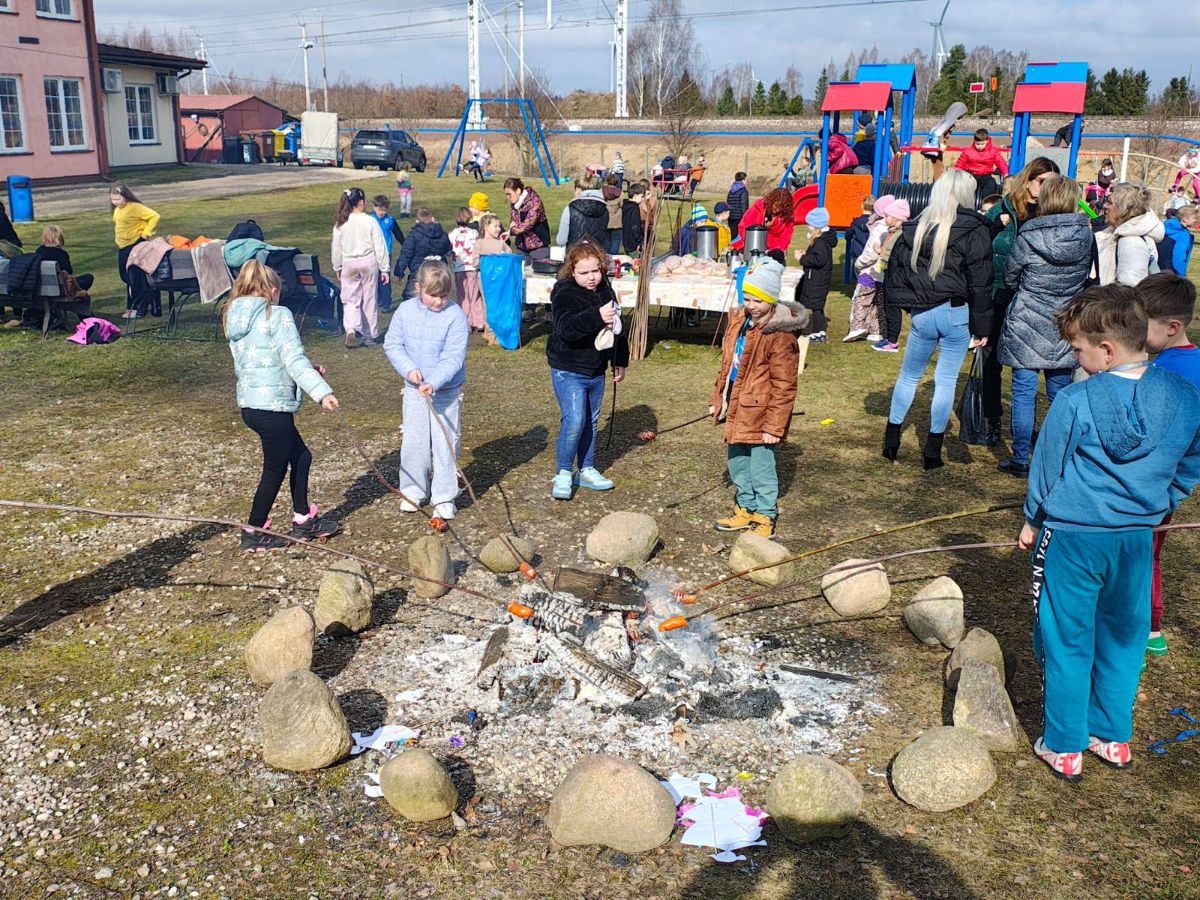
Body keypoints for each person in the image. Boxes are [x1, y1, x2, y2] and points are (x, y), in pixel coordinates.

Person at [1019, 285, 1200, 782]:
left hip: (1074, 539)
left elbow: (1047, 469)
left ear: (1106, 349)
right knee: (1124, 636)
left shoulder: (1074, 400)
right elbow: (1191, 460)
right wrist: (1165, 500)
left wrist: (1033, 520)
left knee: (1066, 637)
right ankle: (1111, 735)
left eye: (1077, 350)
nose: (1074, 358)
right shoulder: (1186, 398)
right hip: (1136, 539)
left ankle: (1064, 744)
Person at [221, 260, 341, 553]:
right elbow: (293, 359)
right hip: (272, 407)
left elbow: (266, 361)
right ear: (273, 290)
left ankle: (303, 519)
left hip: (252, 405)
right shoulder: (276, 314)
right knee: (274, 469)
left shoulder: (234, 317)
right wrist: (321, 392)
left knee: (302, 457)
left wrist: (308, 372)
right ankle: (254, 530)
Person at [882, 170, 993, 469]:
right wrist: (983, 327)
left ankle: (891, 440)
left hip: (923, 313)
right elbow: (981, 283)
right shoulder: (974, 229)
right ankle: (932, 451)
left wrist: (909, 306)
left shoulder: (917, 226)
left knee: (908, 376)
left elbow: (898, 273)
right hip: (956, 313)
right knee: (945, 381)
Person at [997, 175, 1094, 477]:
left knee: (1024, 393)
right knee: (1060, 394)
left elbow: (1010, 276)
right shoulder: (1085, 237)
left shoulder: (1029, 235)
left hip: (1027, 320)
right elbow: (1089, 277)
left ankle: (1020, 458)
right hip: (1065, 320)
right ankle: (1058, 456)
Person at [709, 257, 807, 539]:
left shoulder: (781, 336)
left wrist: (774, 427)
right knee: (737, 463)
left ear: (772, 299)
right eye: (747, 298)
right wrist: (718, 398)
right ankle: (745, 508)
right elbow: (727, 365)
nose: (751, 305)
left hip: (762, 414)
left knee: (761, 467)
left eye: (758, 300)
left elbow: (785, 386)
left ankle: (765, 515)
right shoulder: (741, 321)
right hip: (738, 405)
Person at [1138, 273, 1200, 659]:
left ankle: (1144, 627)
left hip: (1156, 486)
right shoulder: (1179, 362)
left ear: (1172, 327)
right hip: (1165, 485)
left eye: (1141, 325)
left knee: (1141, 555)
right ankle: (1151, 627)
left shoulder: (1168, 375)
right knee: (1149, 553)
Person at [982, 157, 1061, 443]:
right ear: (1028, 181)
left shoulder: (1053, 214)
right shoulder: (1002, 209)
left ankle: (1033, 429)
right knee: (991, 361)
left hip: (1034, 300)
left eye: (1053, 183)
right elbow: (981, 246)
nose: (1047, 188)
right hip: (998, 294)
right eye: (1042, 182)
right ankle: (992, 419)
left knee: (1033, 368)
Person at [383, 259, 468, 521]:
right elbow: (393, 344)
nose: (439, 301)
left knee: (445, 443)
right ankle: (413, 491)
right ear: (418, 287)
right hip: (414, 390)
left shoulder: (455, 315)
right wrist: (409, 370)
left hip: (445, 391)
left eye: (444, 295)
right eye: (433, 295)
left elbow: (454, 356)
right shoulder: (405, 311)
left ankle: (444, 497)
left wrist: (436, 381)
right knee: (414, 441)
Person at [546, 241, 629, 500]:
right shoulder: (564, 293)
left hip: (596, 369)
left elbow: (617, 327)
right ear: (572, 271)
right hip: (568, 368)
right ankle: (563, 473)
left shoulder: (606, 289)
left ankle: (586, 469)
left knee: (591, 420)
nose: (591, 277)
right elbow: (566, 329)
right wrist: (596, 316)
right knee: (574, 419)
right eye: (584, 272)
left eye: (596, 271)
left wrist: (620, 360)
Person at [332, 187, 389, 349]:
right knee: (369, 298)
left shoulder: (341, 223)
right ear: (361, 202)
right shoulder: (370, 221)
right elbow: (380, 246)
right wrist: (384, 268)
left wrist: (337, 267)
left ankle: (351, 328)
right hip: (368, 262)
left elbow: (336, 248)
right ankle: (369, 335)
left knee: (350, 299)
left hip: (349, 263)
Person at [848, 197, 908, 344]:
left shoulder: (879, 229)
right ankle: (877, 330)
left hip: (871, 271)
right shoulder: (891, 230)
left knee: (860, 298)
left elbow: (870, 252)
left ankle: (856, 327)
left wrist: (859, 263)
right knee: (878, 302)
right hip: (882, 274)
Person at [1096, 182, 1164, 286]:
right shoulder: (1120, 233)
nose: (1104, 206)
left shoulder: (1131, 242)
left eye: (1109, 202)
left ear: (1124, 209)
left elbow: (1130, 288)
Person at [110, 183, 161, 319]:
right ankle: (137, 304)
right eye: (113, 199)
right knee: (125, 276)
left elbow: (155, 216)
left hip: (134, 245)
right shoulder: (117, 210)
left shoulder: (135, 207)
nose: (115, 202)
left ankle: (139, 307)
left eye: (118, 199)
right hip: (122, 247)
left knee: (134, 277)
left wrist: (145, 234)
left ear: (125, 196)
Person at [793, 207, 836, 342]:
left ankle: (818, 332)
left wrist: (802, 258)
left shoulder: (821, 242)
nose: (807, 226)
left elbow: (819, 260)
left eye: (810, 224)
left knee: (816, 306)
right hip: (816, 278)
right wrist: (807, 254)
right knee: (817, 306)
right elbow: (817, 256)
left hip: (817, 279)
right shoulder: (820, 240)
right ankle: (820, 329)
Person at [394, 207, 452, 302]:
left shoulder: (414, 235)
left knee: (412, 298)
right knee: (437, 295)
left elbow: (406, 253)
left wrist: (399, 272)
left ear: (417, 221)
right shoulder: (442, 234)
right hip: (438, 270)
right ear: (432, 218)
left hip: (419, 271)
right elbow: (448, 249)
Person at [448, 208, 484, 333]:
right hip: (473, 267)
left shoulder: (451, 235)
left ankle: (465, 322)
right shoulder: (475, 233)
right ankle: (479, 322)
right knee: (474, 294)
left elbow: (448, 250)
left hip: (459, 268)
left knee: (462, 296)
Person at [735, 188, 796, 256]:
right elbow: (743, 225)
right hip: (750, 248)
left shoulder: (787, 217)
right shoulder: (758, 208)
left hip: (773, 253)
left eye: (781, 207)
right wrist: (752, 241)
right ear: (772, 201)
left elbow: (785, 239)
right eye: (776, 205)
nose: (777, 209)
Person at [371, 195, 405, 314]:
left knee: (385, 278)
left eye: (384, 210)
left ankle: (386, 303)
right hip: (372, 254)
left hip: (386, 254)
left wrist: (406, 245)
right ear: (374, 207)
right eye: (379, 209)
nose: (382, 212)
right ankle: (379, 299)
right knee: (374, 278)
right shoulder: (370, 220)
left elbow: (398, 234)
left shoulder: (390, 220)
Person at [504, 177, 552, 260]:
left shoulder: (535, 202)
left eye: (509, 194)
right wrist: (511, 230)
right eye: (506, 194)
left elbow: (525, 226)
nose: (508, 197)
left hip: (538, 248)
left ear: (518, 191)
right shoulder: (515, 203)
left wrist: (511, 231)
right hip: (521, 248)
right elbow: (513, 221)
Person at [35, 225, 94, 291]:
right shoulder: (61, 254)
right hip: (62, 288)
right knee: (88, 278)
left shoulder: (39, 251)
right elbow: (69, 271)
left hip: (42, 287)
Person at [954, 128, 1009, 197]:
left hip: (986, 175)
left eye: (982, 144)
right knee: (965, 186)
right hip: (971, 175)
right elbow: (960, 163)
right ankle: (968, 200)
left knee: (992, 184)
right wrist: (957, 171)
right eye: (977, 144)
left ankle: (985, 201)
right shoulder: (968, 151)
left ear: (987, 141)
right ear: (974, 141)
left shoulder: (993, 151)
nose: (979, 146)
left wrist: (1005, 173)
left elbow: (1001, 162)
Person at [557, 177, 608, 248]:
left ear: (578, 190)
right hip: (598, 252)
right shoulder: (605, 210)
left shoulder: (570, 209)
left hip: (575, 252)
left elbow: (561, 241)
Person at [1160, 205, 1197, 276]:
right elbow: (1178, 257)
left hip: (1160, 270)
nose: (1196, 220)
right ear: (1185, 219)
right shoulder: (1183, 235)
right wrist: (1181, 275)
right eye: (1194, 218)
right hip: (1173, 274)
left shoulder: (1166, 227)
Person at [846, 195, 877, 272]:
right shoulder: (875, 223)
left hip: (858, 253)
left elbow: (848, 235)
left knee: (857, 275)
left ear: (862, 206)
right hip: (871, 254)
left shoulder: (855, 222)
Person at [622, 182, 646, 256]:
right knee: (635, 261)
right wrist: (640, 241)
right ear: (635, 195)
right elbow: (635, 226)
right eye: (642, 196)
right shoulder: (634, 208)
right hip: (633, 243)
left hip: (625, 239)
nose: (643, 199)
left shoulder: (625, 205)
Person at [602, 174, 624, 255]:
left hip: (604, 221)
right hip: (617, 223)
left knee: (606, 244)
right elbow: (622, 205)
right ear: (617, 182)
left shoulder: (601, 192)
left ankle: (606, 258)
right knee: (615, 243)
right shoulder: (620, 193)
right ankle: (614, 258)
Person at [727, 172, 750, 237]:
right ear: (743, 180)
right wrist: (746, 218)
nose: (746, 181)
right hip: (740, 218)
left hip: (731, 217)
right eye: (745, 180)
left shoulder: (731, 191)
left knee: (733, 236)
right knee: (740, 237)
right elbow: (744, 206)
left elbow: (728, 203)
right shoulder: (743, 191)